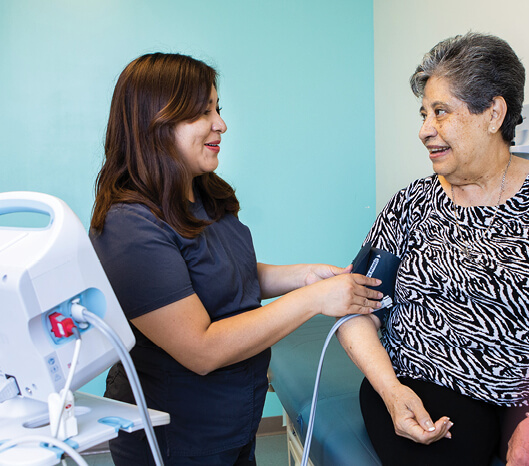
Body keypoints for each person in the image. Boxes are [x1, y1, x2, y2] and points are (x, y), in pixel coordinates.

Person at [336, 33, 529, 466]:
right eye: (424, 114)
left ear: (493, 113)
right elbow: (355, 309)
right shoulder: (409, 205)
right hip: (426, 384)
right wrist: (392, 392)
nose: (424, 130)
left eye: (441, 112)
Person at [89, 52, 383, 465]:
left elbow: (224, 274)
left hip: (233, 424)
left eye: (217, 109)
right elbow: (201, 348)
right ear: (155, 123)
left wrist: (302, 277)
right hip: (178, 439)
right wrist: (313, 301)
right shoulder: (128, 227)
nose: (221, 124)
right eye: (202, 112)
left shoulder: (203, 193)